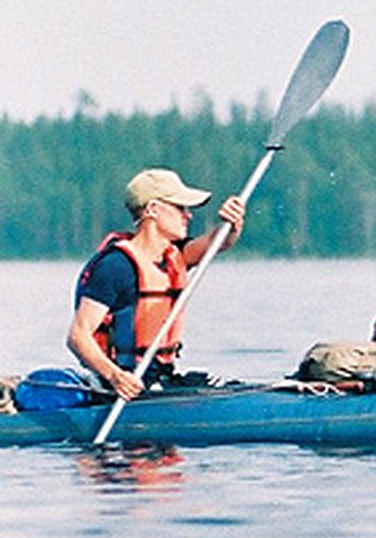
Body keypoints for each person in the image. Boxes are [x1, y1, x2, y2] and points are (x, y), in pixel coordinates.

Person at [67, 168, 246, 399]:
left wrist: (231, 224)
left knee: (228, 385)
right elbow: (78, 337)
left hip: (162, 379)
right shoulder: (116, 266)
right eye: (180, 207)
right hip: (125, 387)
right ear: (152, 209)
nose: (188, 215)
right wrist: (115, 377)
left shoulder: (174, 255)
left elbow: (217, 242)